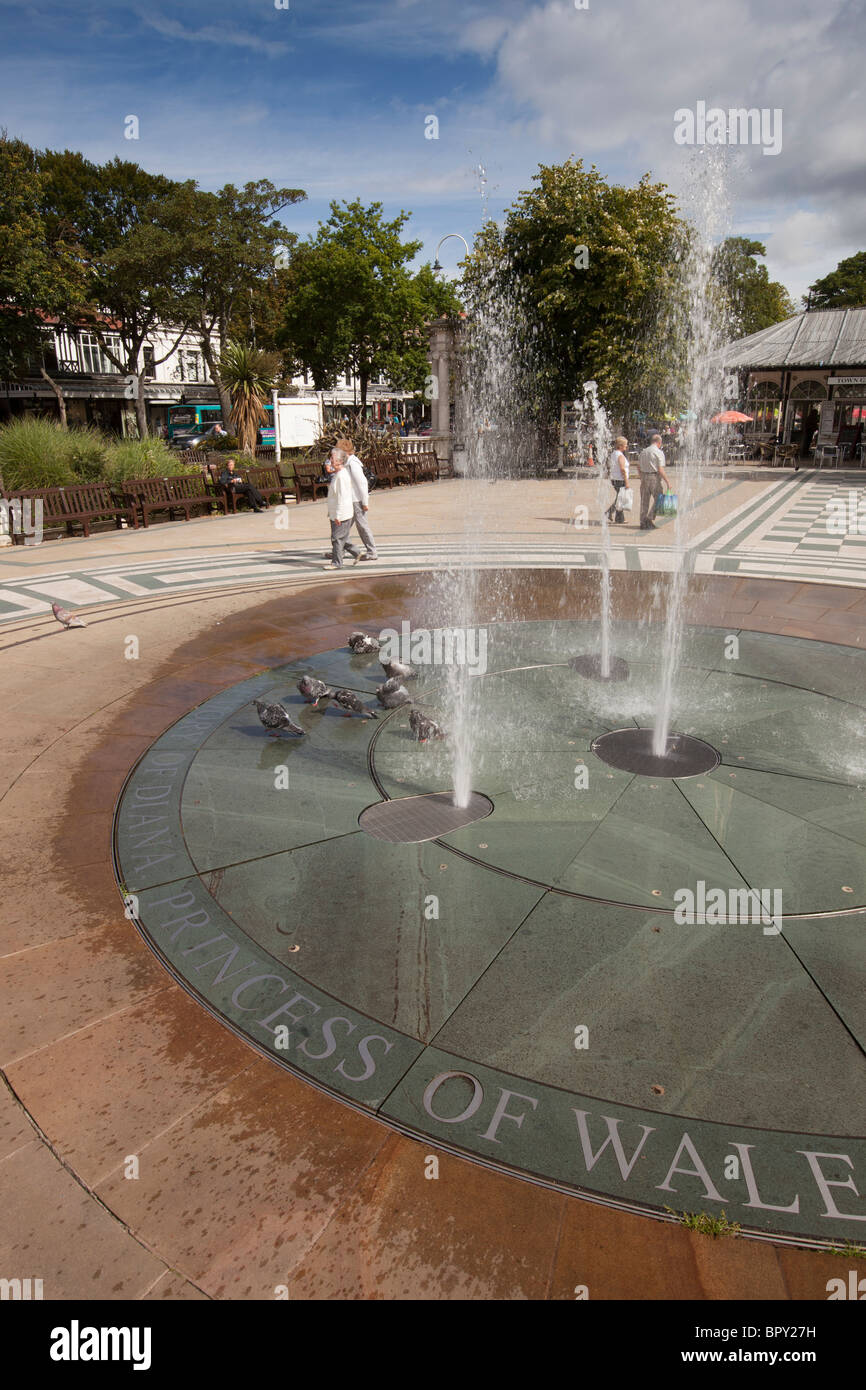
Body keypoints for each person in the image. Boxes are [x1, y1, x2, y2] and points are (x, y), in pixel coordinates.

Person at [336, 436, 378, 560]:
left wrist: (365, 502)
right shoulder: (346, 463)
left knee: (362, 526)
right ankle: (339, 551)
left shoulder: (352, 463)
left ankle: (372, 551)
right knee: (343, 528)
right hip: (349, 500)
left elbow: (362, 483)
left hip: (357, 501)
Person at [323, 449, 362, 569]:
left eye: (332, 459)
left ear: (339, 461)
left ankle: (337, 562)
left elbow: (343, 497)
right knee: (342, 537)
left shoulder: (342, 476)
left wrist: (338, 515)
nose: (330, 461)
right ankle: (357, 552)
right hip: (338, 512)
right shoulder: (338, 474)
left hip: (342, 513)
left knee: (337, 538)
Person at [637, 433, 671, 529]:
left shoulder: (643, 452)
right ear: (659, 443)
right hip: (654, 478)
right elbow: (660, 469)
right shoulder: (658, 452)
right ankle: (649, 518)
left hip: (644, 476)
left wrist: (641, 477)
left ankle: (643, 522)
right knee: (660, 498)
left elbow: (638, 467)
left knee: (644, 501)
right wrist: (668, 482)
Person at [606, 436, 630, 523]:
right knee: (620, 499)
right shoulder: (620, 455)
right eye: (625, 445)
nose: (626, 447)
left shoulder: (613, 454)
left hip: (614, 478)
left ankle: (619, 518)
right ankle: (609, 512)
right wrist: (626, 482)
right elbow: (623, 469)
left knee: (619, 498)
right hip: (620, 479)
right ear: (620, 446)